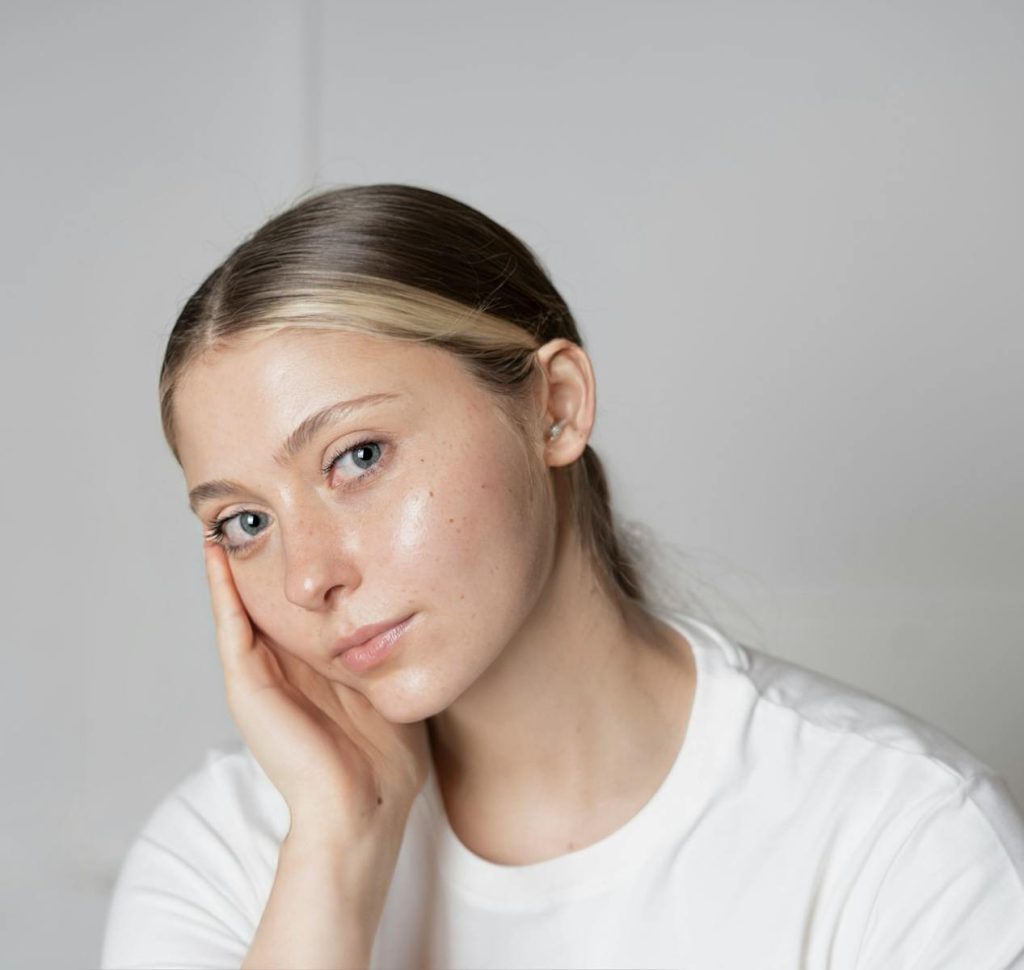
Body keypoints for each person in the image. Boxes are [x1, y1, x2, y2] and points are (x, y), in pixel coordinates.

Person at [101, 183, 1024, 970]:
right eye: (245, 522)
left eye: (358, 455)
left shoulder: (904, 838)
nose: (308, 578)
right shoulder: (226, 855)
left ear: (555, 408)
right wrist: (340, 853)